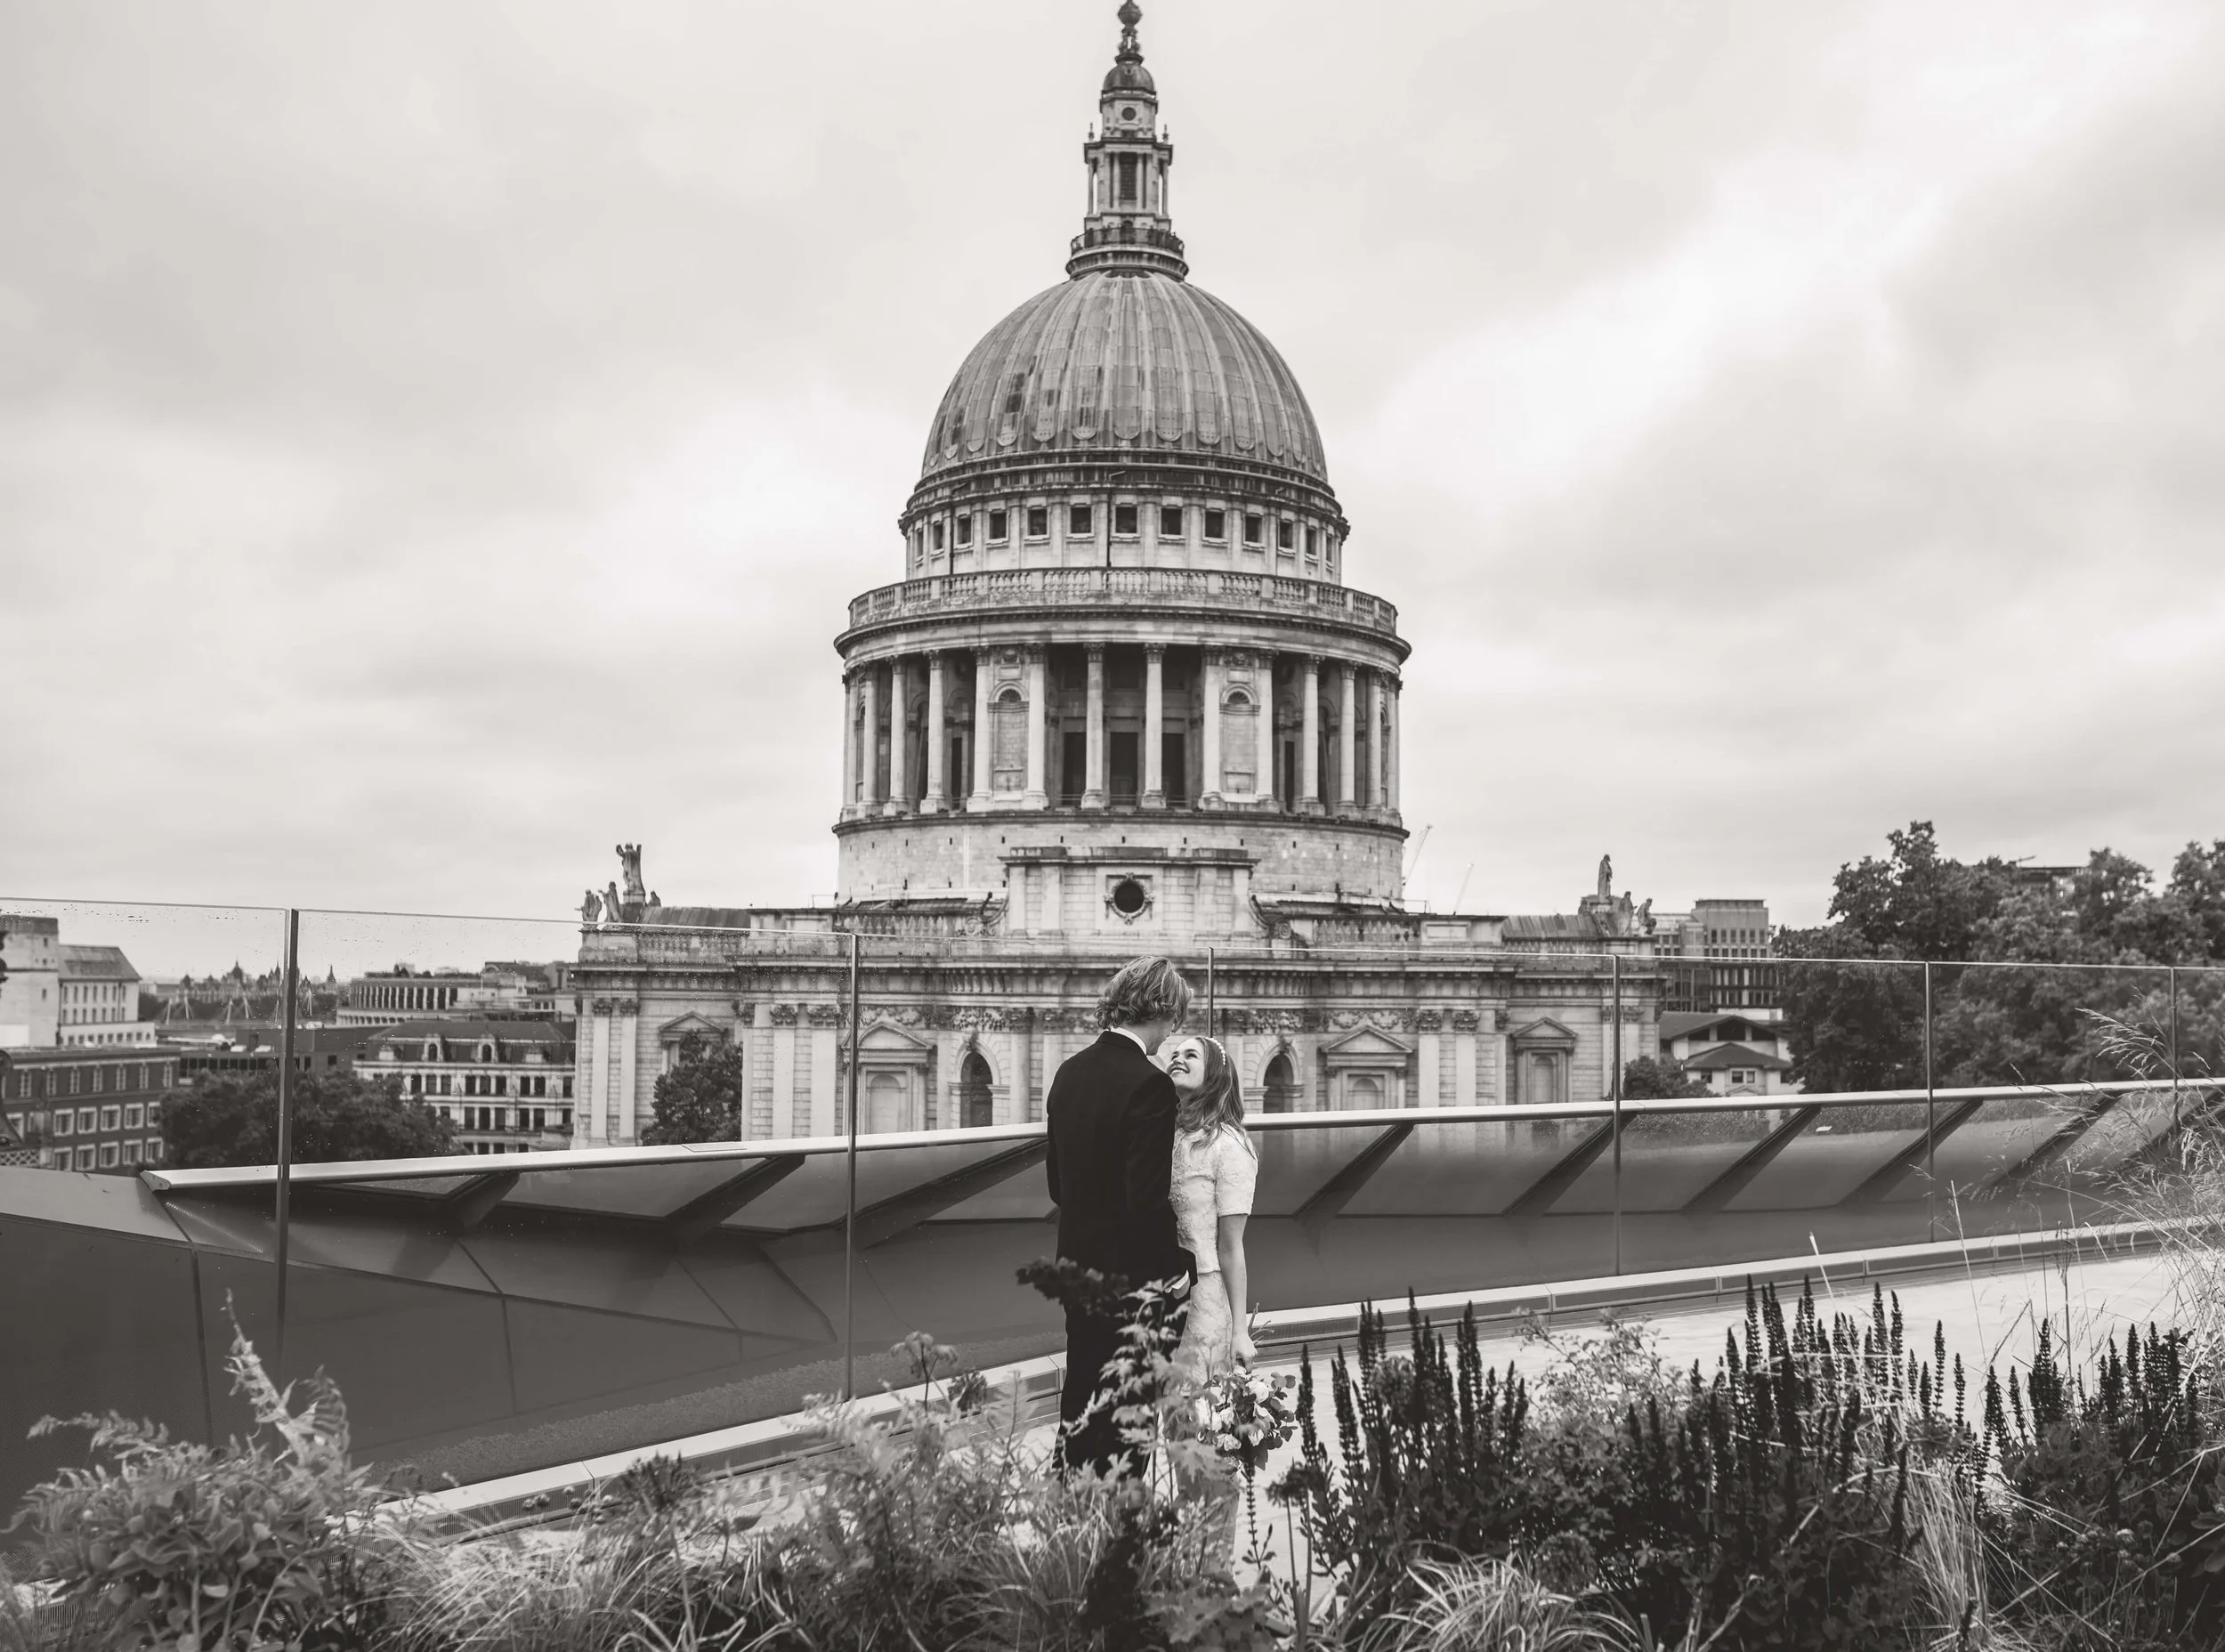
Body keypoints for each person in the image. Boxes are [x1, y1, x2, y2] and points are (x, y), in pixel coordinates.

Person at [1044, 954, 1194, 1475]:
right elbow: (1146, 1201)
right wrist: (1178, 1271)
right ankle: (1117, 1531)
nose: (1173, 1032)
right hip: (1130, 1281)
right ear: (1159, 1008)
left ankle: (1071, 1514)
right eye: (1174, 1017)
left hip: (1077, 1266)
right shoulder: (1149, 1084)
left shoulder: (1068, 1073)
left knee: (1082, 1391)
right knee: (1128, 1416)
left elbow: (1057, 1185)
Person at [1161, 1034, 1258, 1385]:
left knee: (1197, 1414)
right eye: (1174, 1053)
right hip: (1161, 1294)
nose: (1177, 1059)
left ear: (1214, 1073)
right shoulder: (1163, 1136)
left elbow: (1232, 1247)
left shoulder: (1229, 1146)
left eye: (1191, 1055)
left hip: (1203, 1300)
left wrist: (1240, 1331)